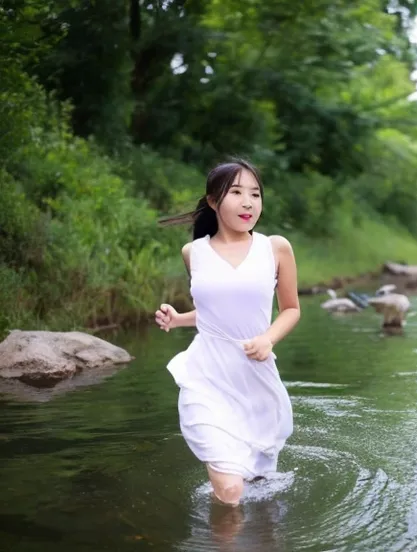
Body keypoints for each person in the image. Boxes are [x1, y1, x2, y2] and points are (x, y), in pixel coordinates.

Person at [154, 158, 300, 507]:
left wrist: (268, 338)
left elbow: (291, 309)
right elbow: (212, 314)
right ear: (213, 201)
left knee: (258, 485)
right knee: (231, 491)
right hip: (207, 373)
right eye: (236, 192)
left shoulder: (275, 247)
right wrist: (178, 319)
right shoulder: (194, 252)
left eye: (255, 194)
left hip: (254, 376)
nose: (248, 202)